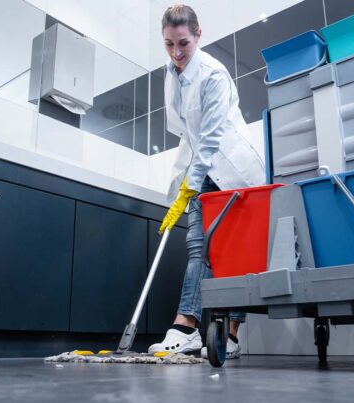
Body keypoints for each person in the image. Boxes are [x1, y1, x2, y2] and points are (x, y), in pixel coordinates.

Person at [148, 5, 265, 358]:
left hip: (232, 174)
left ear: (198, 35)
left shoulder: (213, 74)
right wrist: (179, 189)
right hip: (202, 169)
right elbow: (188, 135)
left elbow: (211, 138)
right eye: (168, 44)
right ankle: (187, 327)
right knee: (198, 248)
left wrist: (191, 184)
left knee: (235, 255)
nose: (176, 52)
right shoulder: (172, 73)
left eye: (183, 43)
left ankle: (230, 335)